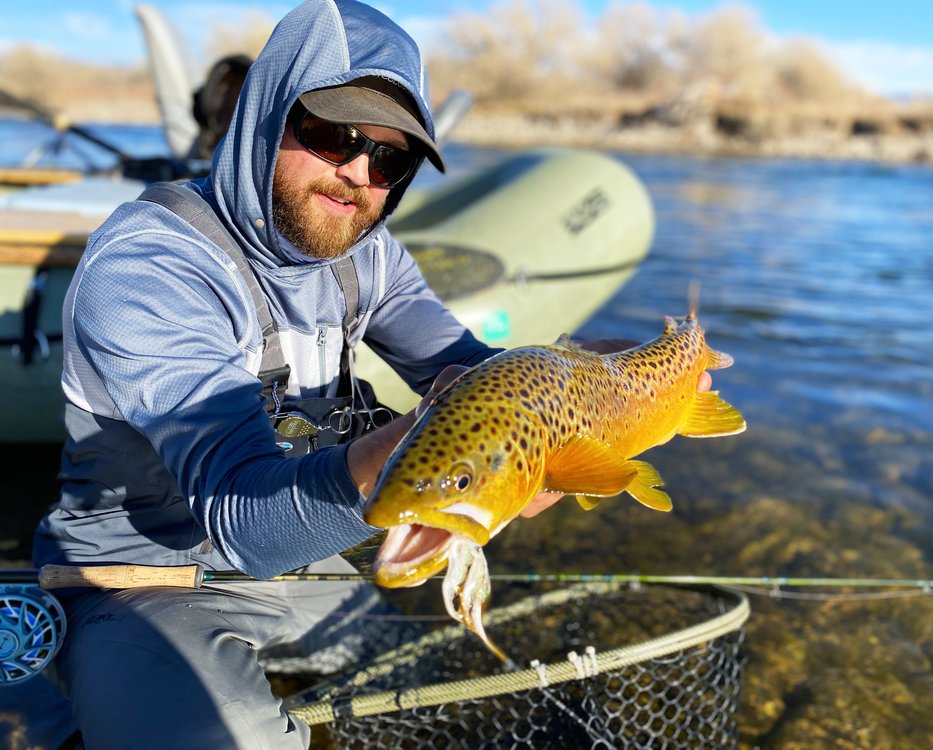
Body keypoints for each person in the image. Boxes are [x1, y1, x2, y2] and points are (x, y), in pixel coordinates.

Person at [32, 1, 711, 747]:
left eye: (389, 159)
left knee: (442, 691)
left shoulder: (369, 251)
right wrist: (447, 454)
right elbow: (245, 521)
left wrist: (598, 385)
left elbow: (475, 375)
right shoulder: (149, 267)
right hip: (139, 578)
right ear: (262, 116)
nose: (357, 172)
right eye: (331, 135)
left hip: (310, 551)